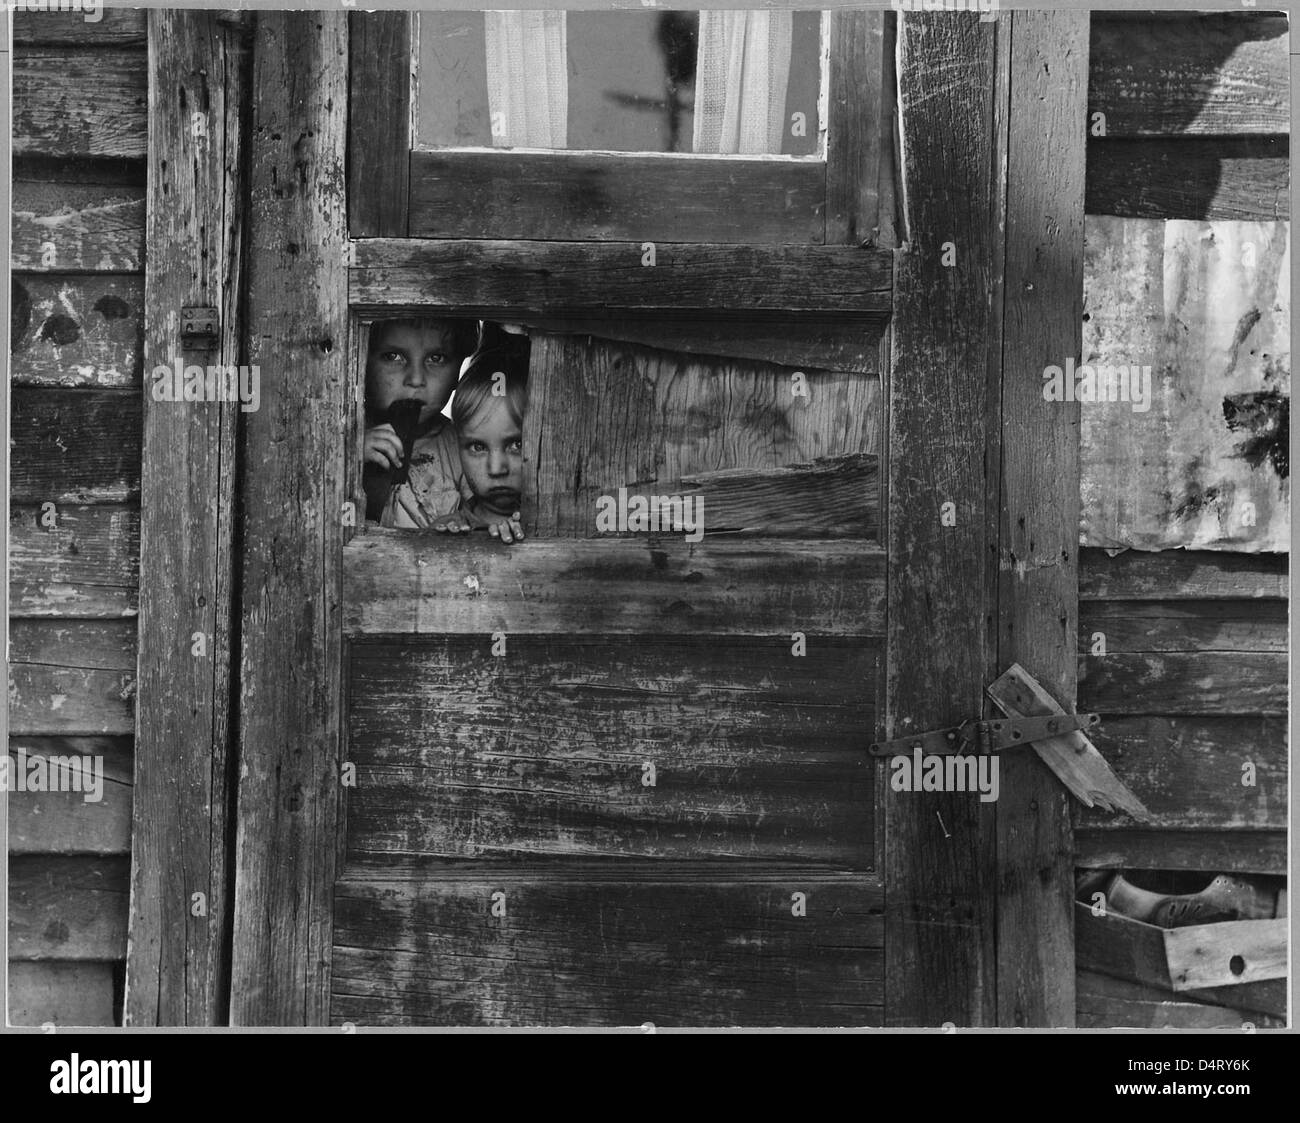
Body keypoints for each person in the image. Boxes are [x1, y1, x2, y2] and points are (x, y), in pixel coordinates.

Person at [362, 317, 479, 527]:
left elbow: (483, 518)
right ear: (361, 360)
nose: (416, 379)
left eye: (436, 358)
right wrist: (345, 461)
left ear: (457, 372)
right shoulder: (342, 435)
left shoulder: (462, 448)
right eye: (393, 356)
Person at [433, 346, 528, 544]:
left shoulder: (565, 525)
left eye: (516, 444)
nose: (496, 469)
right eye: (478, 447)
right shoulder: (453, 529)